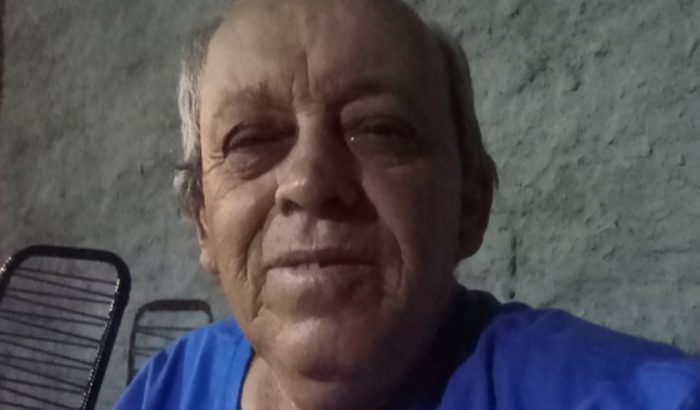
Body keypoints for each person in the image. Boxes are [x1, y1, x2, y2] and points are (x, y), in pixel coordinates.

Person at [115, 0, 700, 409]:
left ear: (471, 205)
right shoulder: (167, 389)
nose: (310, 181)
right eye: (252, 141)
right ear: (203, 222)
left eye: (379, 130)